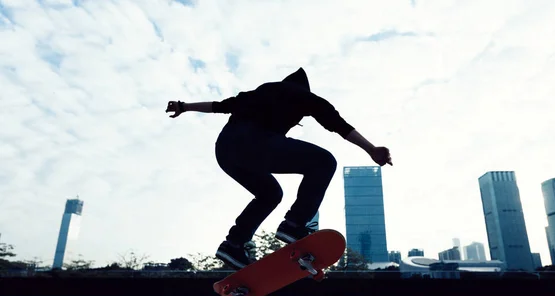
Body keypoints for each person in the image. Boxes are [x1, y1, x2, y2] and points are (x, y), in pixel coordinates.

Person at [166, 68, 392, 270]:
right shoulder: (305, 97)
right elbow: (338, 125)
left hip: (225, 151)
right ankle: (294, 224)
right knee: (324, 162)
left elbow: (219, 106)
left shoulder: (257, 93)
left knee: (270, 194)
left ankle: (234, 244)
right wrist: (371, 149)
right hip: (255, 143)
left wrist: (184, 107)